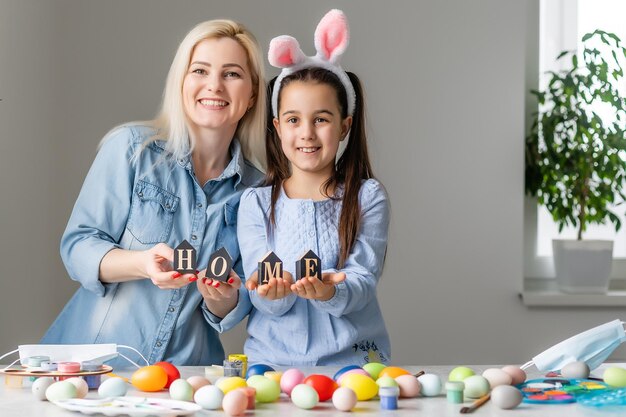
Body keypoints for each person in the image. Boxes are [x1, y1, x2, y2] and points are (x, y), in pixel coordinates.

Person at [41, 19, 267, 367]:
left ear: (252, 93)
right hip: (92, 370)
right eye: (200, 70)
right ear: (181, 82)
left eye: (232, 74)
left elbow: (235, 306)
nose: (214, 85)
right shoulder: (131, 150)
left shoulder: (259, 191)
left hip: (184, 379)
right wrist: (142, 264)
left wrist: (223, 297)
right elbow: (78, 247)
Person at [237, 9, 391, 366]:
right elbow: (261, 287)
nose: (306, 132)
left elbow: (363, 277)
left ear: (344, 126)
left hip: (353, 360)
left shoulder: (367, 197)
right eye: (293, 120)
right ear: (277, 127)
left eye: (321, 119)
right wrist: (271, 291)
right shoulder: (256, 203)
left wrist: (331, 290)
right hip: (272, 360)